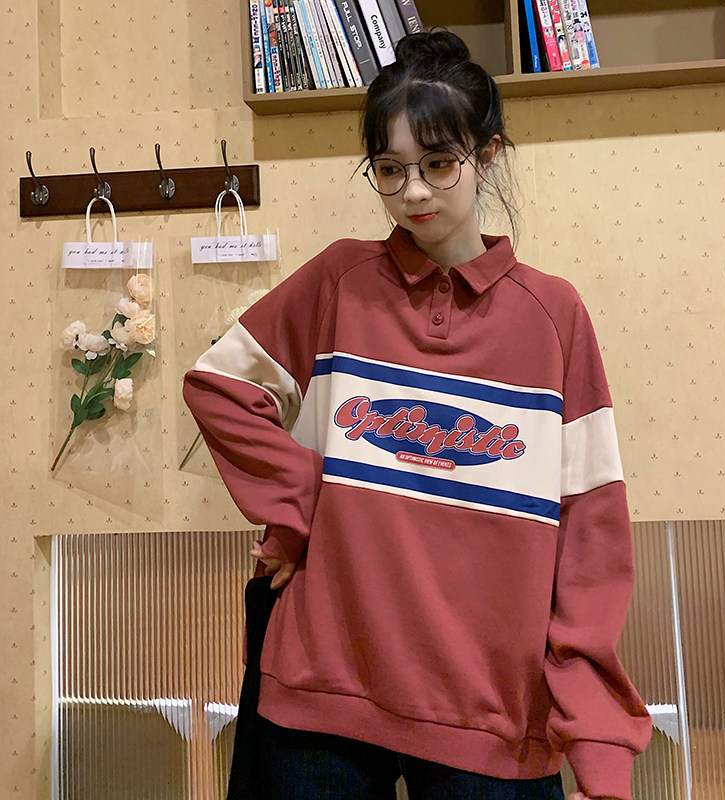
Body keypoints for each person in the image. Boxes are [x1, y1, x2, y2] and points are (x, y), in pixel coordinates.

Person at [183, 29, 652, 800]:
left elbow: (591, 537)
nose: (413, 193)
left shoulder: (553, 316)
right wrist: (303, 506)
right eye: (390, 169)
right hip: (320, 693)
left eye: (438, 164)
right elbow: (218, 386)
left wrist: (598, 749)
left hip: (492, 713)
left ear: (487, 155)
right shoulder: (340, 282)